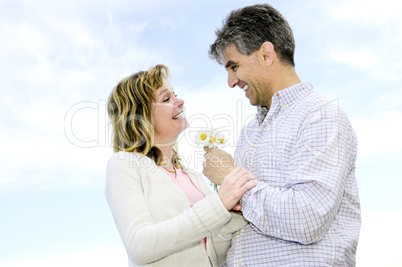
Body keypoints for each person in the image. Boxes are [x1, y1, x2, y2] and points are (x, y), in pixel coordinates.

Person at [204, 4, 361, 266]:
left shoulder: (320, 116)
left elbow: (307, 218)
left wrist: (232, 181)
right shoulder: (249, 132)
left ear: (266, 54)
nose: (231, 81)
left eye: (234, 66)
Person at [105, 64, 257, 267]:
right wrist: (218, 204)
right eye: (166, 99)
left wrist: (230, 217)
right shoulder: (124, 165)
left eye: (175, 94)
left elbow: (211, 257)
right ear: (141, 116)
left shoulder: (191, 175)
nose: (181, 101)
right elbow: (140, 246)